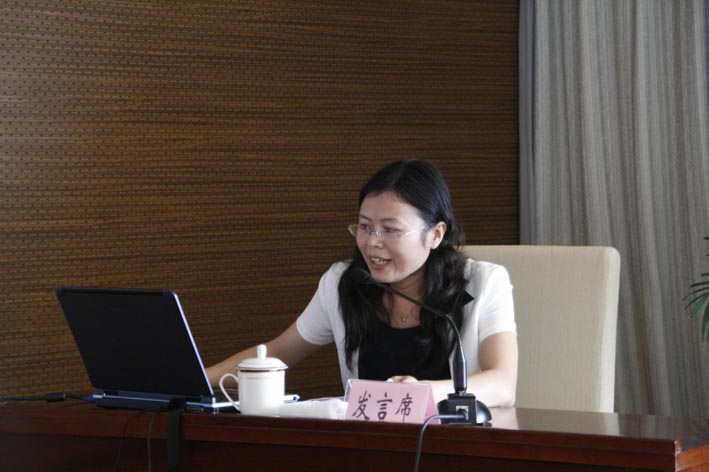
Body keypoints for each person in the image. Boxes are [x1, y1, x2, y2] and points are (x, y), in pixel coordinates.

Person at [207, 159, 517, 406]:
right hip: (370, 448)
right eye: (365, 227)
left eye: (390, 230)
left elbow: (503, 384)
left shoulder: (483, 283)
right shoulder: (343, 283)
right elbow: (277, 352)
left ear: (435, 234)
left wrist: (422, 392)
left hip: (456, 448)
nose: (372, 243)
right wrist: (199, 378)